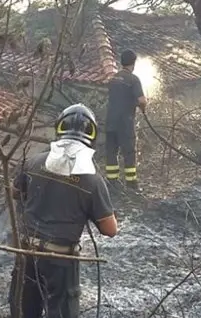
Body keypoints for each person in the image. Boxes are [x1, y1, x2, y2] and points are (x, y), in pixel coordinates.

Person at [9, 103, 119, 318]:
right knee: (61, 313)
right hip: (60, 260)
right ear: (92, 135)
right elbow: (110, 229)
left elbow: (15, 192)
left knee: (23, 310)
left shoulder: (33, 161)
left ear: (59, 128)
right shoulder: (92, 180)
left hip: (26, 253)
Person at [104, 49, 147, 189]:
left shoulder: (113, 79)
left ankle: (112, 182)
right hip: (125, 123)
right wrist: (142, 108)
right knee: (129, 153)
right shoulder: (133, 80)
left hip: (110, 122)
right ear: (133, 63)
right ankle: (131, 184)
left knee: (112, 152)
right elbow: (142, 100)